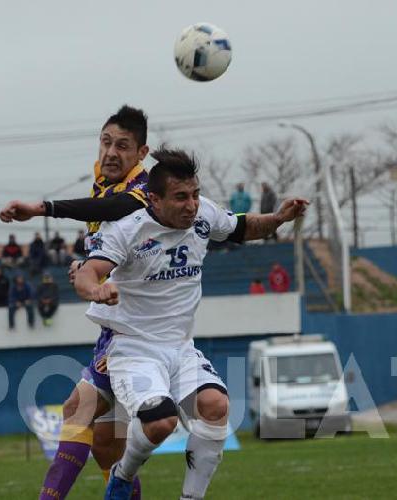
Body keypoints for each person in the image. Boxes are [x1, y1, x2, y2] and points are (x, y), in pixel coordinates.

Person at [73, 148, 308, 500]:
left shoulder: (204, 215)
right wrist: (96, 289)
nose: (192, 204)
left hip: (180, 347)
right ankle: (122, 477)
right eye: (181, 197)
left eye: (195, 194)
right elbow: (88, 273)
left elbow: (243, 228)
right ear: (154, 199)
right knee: (161, 422)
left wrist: (278, 218)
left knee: (216, 406)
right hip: (134, 348)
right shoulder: (127, 230)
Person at [0, 105, 151, 499]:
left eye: (123, 145)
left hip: (136, 331)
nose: (111, 152)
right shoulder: (105, 185)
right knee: (106, 445)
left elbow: (112, 210)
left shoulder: (142, 191)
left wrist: (44, 208)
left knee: (75, 410)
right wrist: (87, 267)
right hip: (117, 326)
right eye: (105, 142)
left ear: (142, 153)